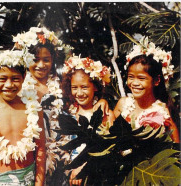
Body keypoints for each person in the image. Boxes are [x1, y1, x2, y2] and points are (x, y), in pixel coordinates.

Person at [13, 27, 110, 185]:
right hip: (29, 154)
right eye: (35, 59)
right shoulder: (18, 87)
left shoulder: (61, 86)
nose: (40, 64)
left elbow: (81, 101)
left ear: (53, 60)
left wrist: (100, 100)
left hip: (60, 156)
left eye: (46, 59)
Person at [0, 48, 46, 186]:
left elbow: (40, 150)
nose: (9, 85)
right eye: (3, 79)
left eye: (15, 79)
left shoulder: (33, 109)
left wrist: (39, 184)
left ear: (23, 76)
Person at [113, 37, 179, 143]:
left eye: (141, 78)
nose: (134, 83)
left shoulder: (163, 111)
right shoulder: (123, 104)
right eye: (131, 77)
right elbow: (108, 132)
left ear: (156, 80)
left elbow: (176, 148)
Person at [61, 55, 115, 186]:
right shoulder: (67, 113)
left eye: (84, 87)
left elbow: (112, 148)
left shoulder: (105, 114)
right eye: (75, 87)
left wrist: (84, 167)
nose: (79, 93)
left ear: (95, 87)